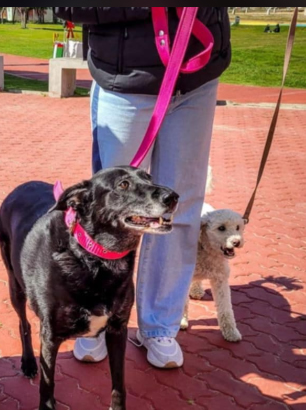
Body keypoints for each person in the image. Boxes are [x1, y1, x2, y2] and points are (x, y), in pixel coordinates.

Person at [54, 7, 231, 369]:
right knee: (109, 210)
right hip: (125, 77)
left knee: (178, 208)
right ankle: (96, 322)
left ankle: (159, 326)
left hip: (197, 75)